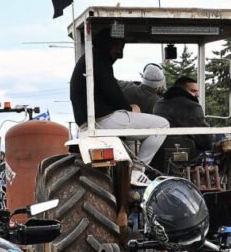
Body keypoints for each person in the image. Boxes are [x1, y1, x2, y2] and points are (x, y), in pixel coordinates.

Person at [70, 27, 169, 167]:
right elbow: (112, 92)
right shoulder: (100, 60)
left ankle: (126, 170)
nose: (120, 54)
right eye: (119, 47)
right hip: (102, 119)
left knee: (130, 137)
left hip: (86, 122)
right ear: (112, 44)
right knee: (162, 124)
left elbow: (111, 89)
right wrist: (129, 109)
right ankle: (138, 169)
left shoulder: (89, 60)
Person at [152, 76, 211, 167]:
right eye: (193, 91)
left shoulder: (158, 103)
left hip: (158, 150)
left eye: (197, 91)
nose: (198, 95)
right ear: (182, 90)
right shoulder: (192, 106)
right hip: (183, 150)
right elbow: (205, 137)